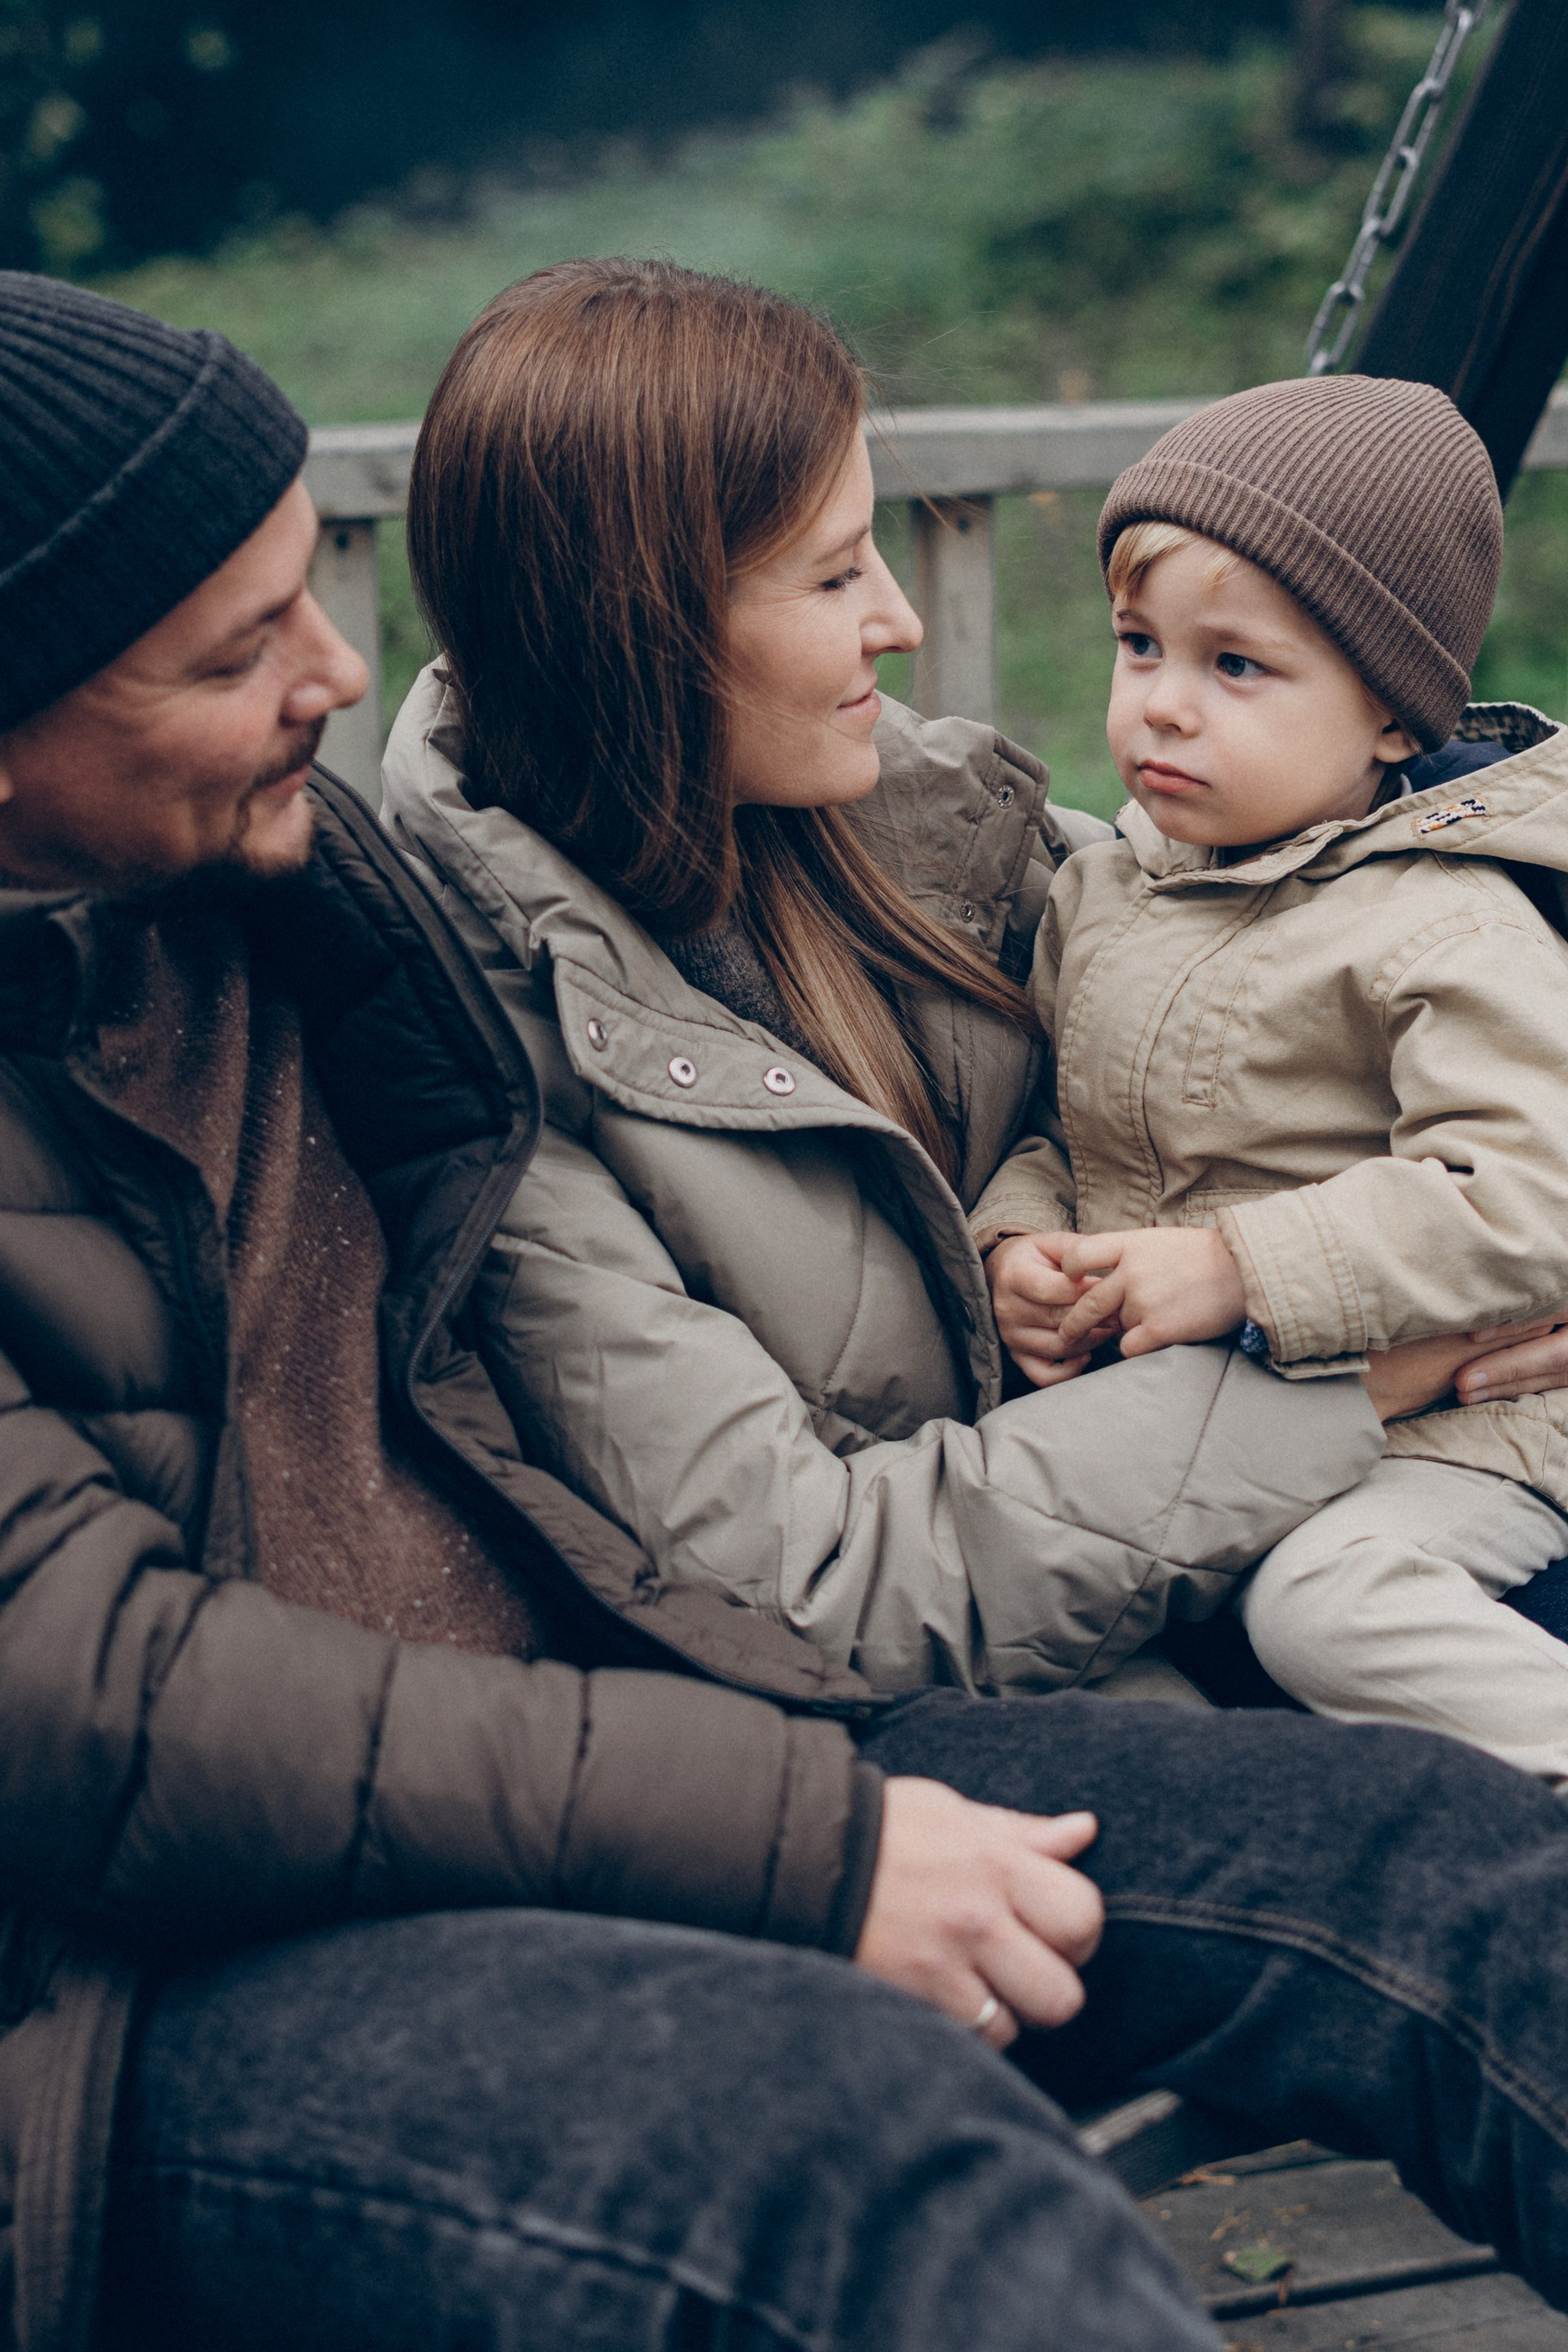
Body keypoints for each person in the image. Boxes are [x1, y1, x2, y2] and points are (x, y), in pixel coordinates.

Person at [4, 265, 1568, 2352]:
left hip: (720, 1704)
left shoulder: (350, 898)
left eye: (312, 588)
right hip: (326, 1907)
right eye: (231, 648)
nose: (342, 669)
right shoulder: (474, 984)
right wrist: (1356, 1371)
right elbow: (119, 1703)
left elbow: (1317, 967)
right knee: (856, 2154)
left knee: (1435, 1854)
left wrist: (1457, 1253)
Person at [974, 375, 1568, 1783]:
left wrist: (1242, 1267)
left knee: (1327, 1608)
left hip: (1459, 1417)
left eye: (1233, 667)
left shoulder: (1443, 925)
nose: (1163, 708)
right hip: (1211, 1422)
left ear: (1383, 716)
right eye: (1138, 647)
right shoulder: (1106, 896)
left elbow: (1526, 1190)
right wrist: (1016, 1238)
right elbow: (1066, 1127)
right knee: (1060, 1616)